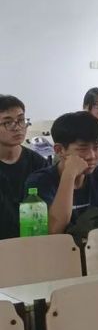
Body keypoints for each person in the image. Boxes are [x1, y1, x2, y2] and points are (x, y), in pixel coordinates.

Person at [0, 95, 48, 239]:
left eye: (21, 120)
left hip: (34, 240)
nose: (18, 128)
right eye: (8, 123)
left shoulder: (38, 163)